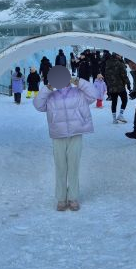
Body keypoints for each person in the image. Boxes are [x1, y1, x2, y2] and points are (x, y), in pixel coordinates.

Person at [33, 65, 97, 211]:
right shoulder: (50, 96)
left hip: (76, 133)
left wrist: (78, 81)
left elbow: (95, 94)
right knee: (60, 167)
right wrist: (48, 88)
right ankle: (61, 198)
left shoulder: (79, 92)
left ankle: (73, 197)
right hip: (58, 135)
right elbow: (37, 105)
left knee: (73, 167)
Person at [105, 52, 130, 124]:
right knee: (124, 100)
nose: (121, 56)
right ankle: (121, 115)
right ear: (117, 55)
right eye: (120, 55)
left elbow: (106, 75)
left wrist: (109, 84)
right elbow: (124, 76)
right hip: (120, 86)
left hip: (111, 86)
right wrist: (128, 84)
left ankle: (114, 119)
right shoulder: (120, 64)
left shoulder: (108, 62)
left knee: (114, 102)